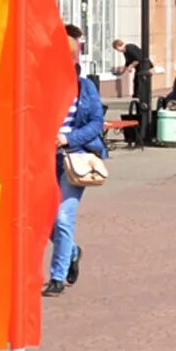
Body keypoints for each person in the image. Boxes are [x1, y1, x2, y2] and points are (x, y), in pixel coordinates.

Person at [47, 24, 106, 297]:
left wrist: (68, 138)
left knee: (62, 217)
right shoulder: (43, 86)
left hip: (75, 158)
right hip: (45, 160)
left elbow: (96, 123)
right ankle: (71, 251)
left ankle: (57, 277)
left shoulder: (85, 88)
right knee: (45, 220)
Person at [111, 40, 153, 145]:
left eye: (117, 49)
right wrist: (123, 71)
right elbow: (128, 62)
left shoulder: (130, 48)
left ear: (119, 45)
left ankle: (140, 97)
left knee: (139, 81)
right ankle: (137, 96)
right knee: (136, 81)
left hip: (144, 67)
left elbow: (137, 59)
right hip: (139, 69)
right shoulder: (126, 52)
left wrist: (131, 67)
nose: (118, 51)